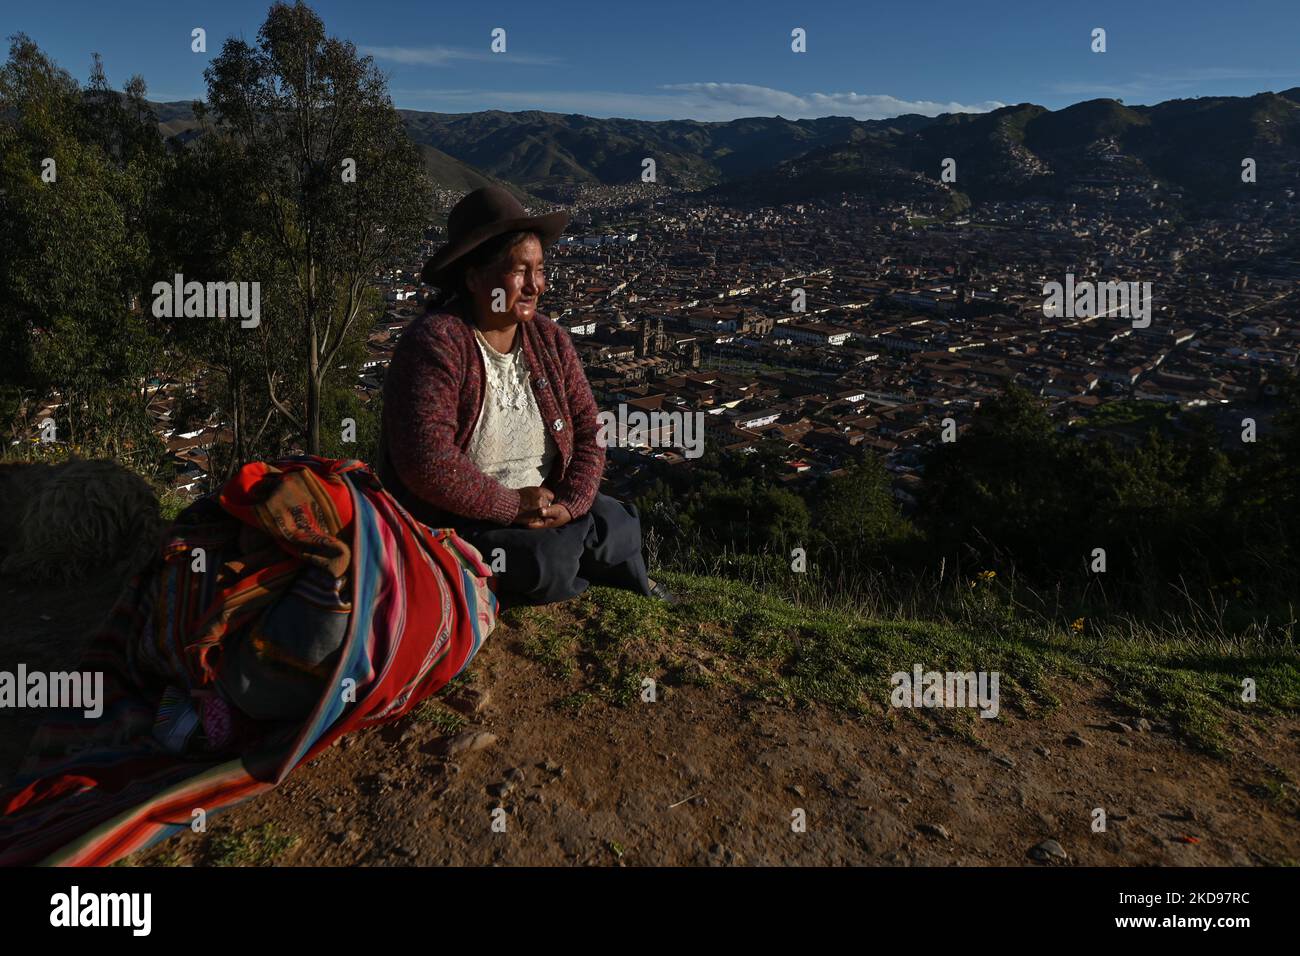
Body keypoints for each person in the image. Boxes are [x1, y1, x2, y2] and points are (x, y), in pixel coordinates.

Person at [377, 186, 678, 608]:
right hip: (463, 515)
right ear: (473, 275)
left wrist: (571, 503)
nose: (535, 286)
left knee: (619, 520)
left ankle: (575, 545)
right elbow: (427, 461)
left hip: (544, 502)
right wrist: (509, 505)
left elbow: (590, 431)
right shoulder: (437, 342)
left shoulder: (548, 339)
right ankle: (571, 559)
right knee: (547, 560)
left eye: (540, 270)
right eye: (519, 271)